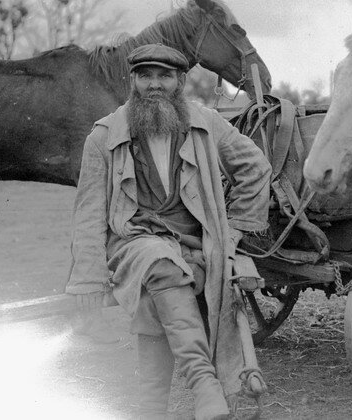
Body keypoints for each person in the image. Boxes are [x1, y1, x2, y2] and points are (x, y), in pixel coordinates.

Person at [65, 43, 272, 420]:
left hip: (193, 243)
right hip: (133, 241)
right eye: (146, 76)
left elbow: (255, 167)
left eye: (164, 76)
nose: (155, 85)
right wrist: (88, 280)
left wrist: (236, 230)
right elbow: (89, 212)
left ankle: (150, 410)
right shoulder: (103, 136)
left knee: (154, 299)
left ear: (179, 81)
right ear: (133, 81)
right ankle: (203, 383)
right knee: (161, 263)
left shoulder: (205, 123)